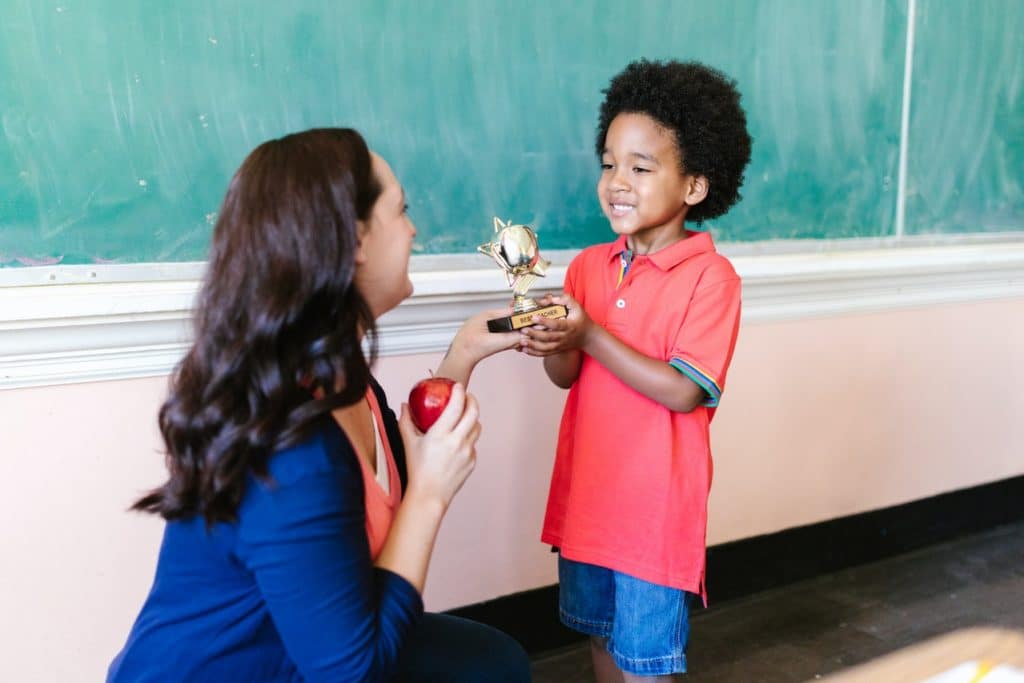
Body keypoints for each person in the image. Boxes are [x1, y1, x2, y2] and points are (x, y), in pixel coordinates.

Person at [107, 128, 531, 682]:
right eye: (401, 211)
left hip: (302, 652)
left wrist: (462, 357)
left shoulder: (344, 380)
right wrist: (430, 494)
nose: (414, 230)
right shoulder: (293, 443)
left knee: (493, 664)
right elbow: (351, 674)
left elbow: (373, 508)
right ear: (354, 242)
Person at [518, 59, 753, 681]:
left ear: (694, 187)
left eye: (641, 168)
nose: (617, 181)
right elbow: (566, 376)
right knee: (598, 637)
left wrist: (590, 333)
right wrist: (554, 338)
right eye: (609, 163)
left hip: (653, 518)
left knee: (645, 662)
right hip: (587, 501)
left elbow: (682, 392)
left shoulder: (711, 278)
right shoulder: (587, 268)